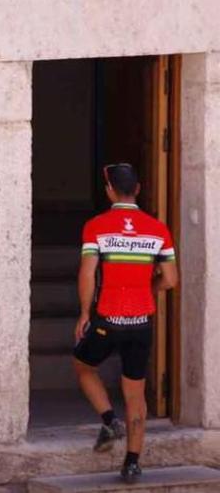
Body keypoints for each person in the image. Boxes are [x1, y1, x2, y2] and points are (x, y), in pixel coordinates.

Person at [72, 162, 178, 483]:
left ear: (108, 190)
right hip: (141, 321)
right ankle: (132, 463)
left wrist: (85, 313)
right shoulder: (158, 228)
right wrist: (149, 288)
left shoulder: (96, 226)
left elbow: (88, 273)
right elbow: (170, 280)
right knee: (136, 394)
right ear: (139, 189)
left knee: (82, 365)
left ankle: (109, 420)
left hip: (108, 318)